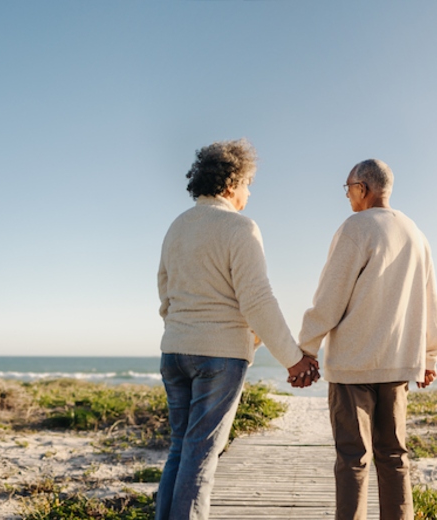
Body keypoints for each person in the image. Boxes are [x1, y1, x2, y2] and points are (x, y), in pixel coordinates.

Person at [156, 138, 319, 520]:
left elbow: (164, 293)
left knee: (179, 450)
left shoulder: (176, 227)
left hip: (174, 351)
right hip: (219, 354)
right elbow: (257, 299)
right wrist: (293, 360)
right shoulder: (239, 227)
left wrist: (182, 328)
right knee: (199, 460)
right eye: (248, 185)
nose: (248, 193)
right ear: (231, 183)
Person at [299, 159, 437, 520]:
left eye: (348, 188)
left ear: (362, 187)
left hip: (353, 364)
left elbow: (330, 297)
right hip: (397, 363)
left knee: (353, 459)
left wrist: (305, 348)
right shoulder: (415, 232)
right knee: (394, 457)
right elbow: (431, 300)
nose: (347, 196)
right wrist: (430, 357)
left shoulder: (356, 227)